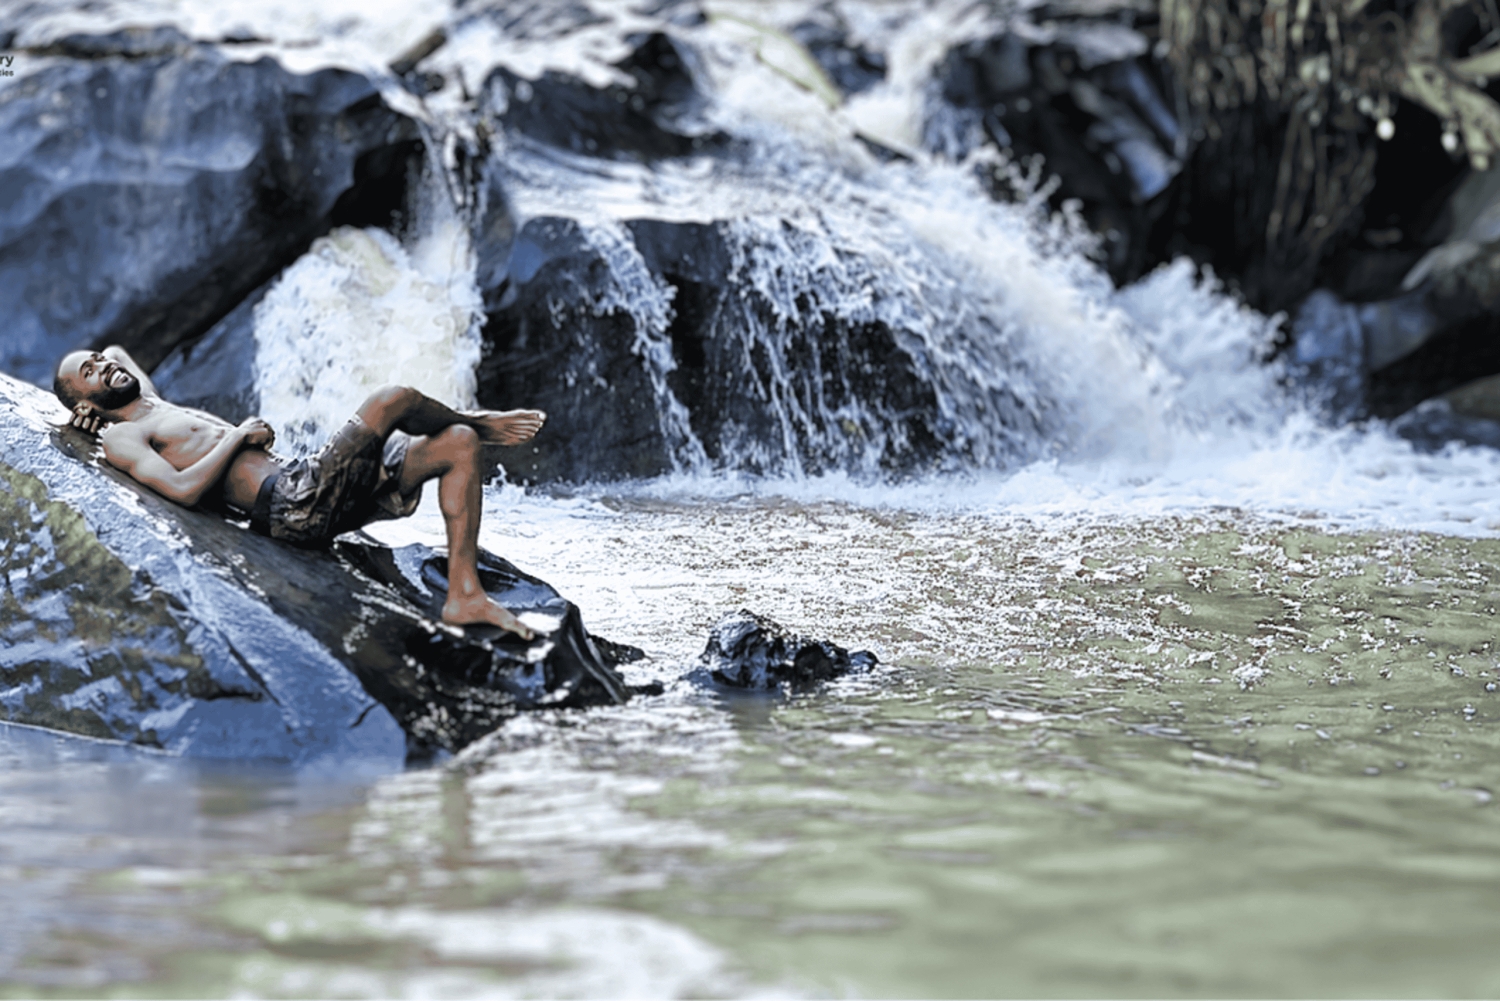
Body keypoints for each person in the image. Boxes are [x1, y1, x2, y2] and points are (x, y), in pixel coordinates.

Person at [53, 345, 545, 640]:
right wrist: (237, 436)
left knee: (455, 446)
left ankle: (464, 593)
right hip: (291, 503)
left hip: (311, 480)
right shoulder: (123, 436)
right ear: (85, 397)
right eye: (91, 374)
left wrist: (90, 395)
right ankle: (478, 420)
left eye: (97, 360)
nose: (104, 366)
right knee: (390, 399)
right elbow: (181, 490)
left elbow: (116, 352)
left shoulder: (148, 400)